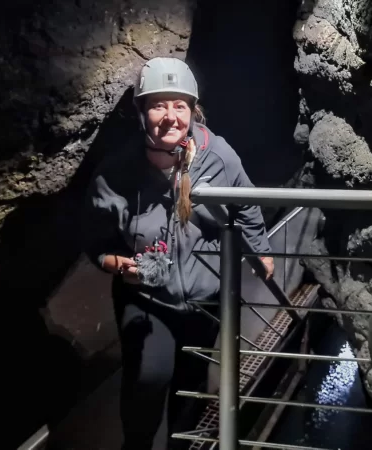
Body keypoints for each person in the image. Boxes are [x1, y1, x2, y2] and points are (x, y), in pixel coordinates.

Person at [82, 57, 274, 450]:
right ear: (141, 112)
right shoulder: (116, 173)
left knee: (190, 387)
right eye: (158, 105)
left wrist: (262, 253)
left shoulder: (218, 157)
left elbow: (247, 206)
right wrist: (117, 265)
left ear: (193, 110)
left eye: (180, 105)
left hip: (207, 298)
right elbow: (93, 237)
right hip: (147, 297)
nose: (170, 116)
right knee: (148, 379)